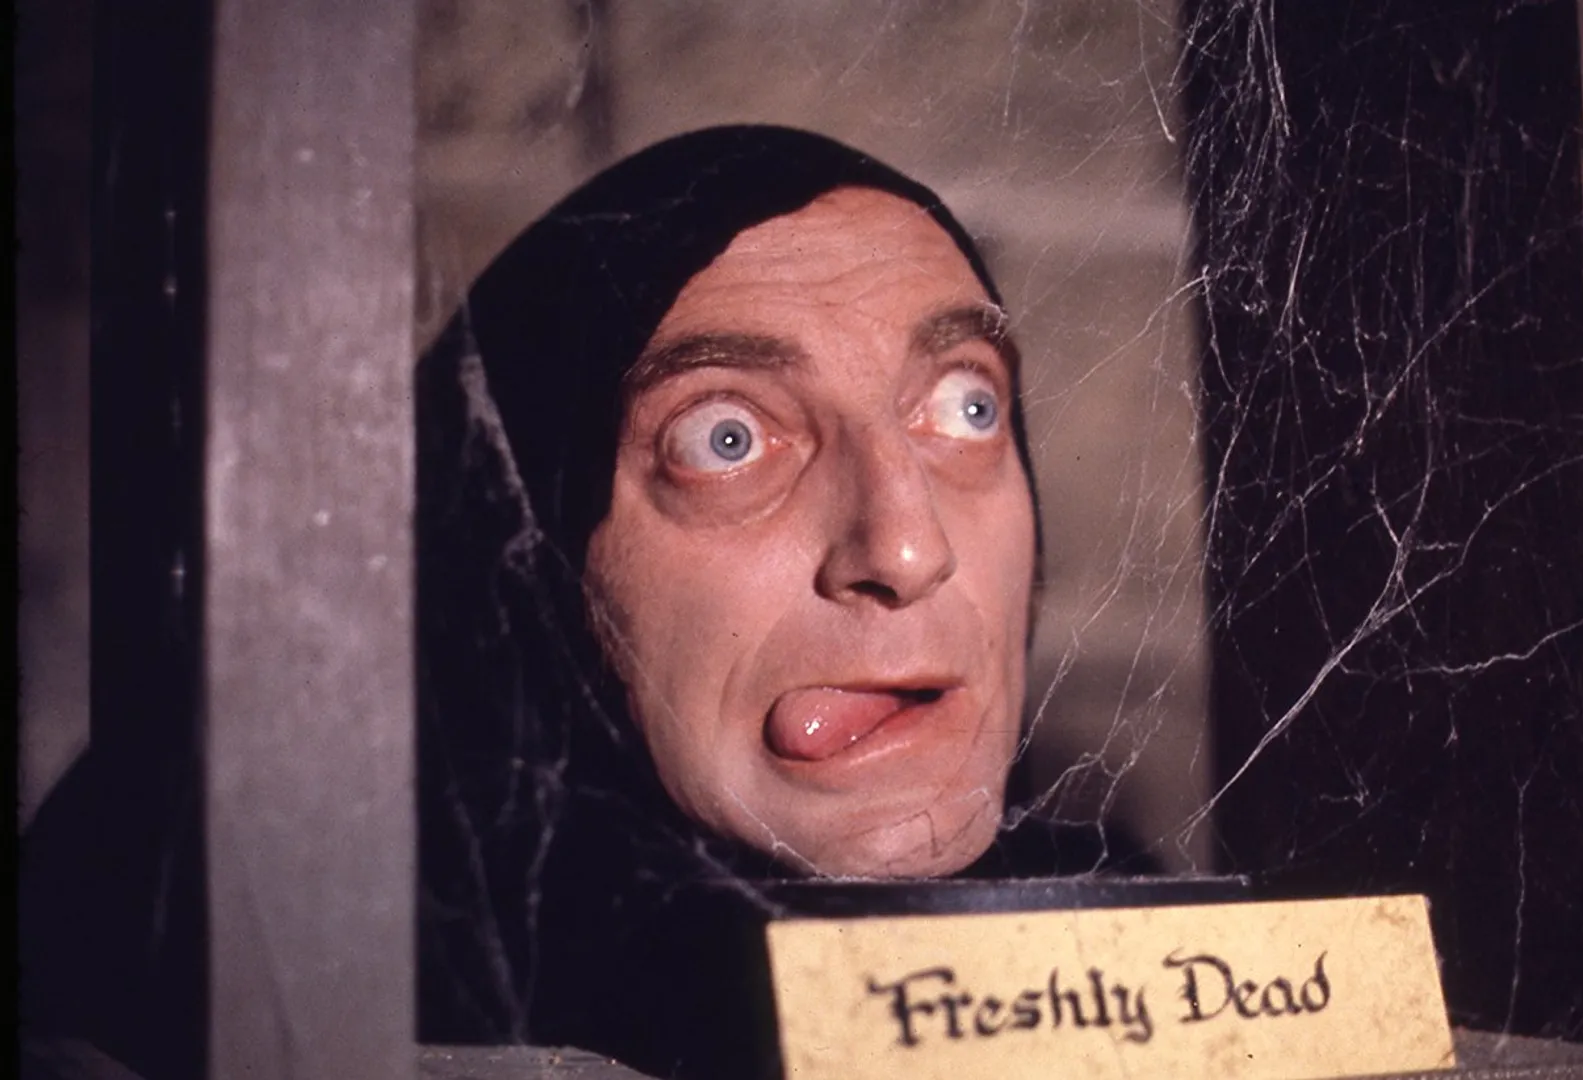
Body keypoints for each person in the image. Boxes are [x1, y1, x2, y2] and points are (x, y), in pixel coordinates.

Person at [414, 125, 1138, 1076]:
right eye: (727, 438)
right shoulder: (346, 1025)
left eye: (968, 406)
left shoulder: (1174, 973)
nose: (909, 551)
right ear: (532, 570)